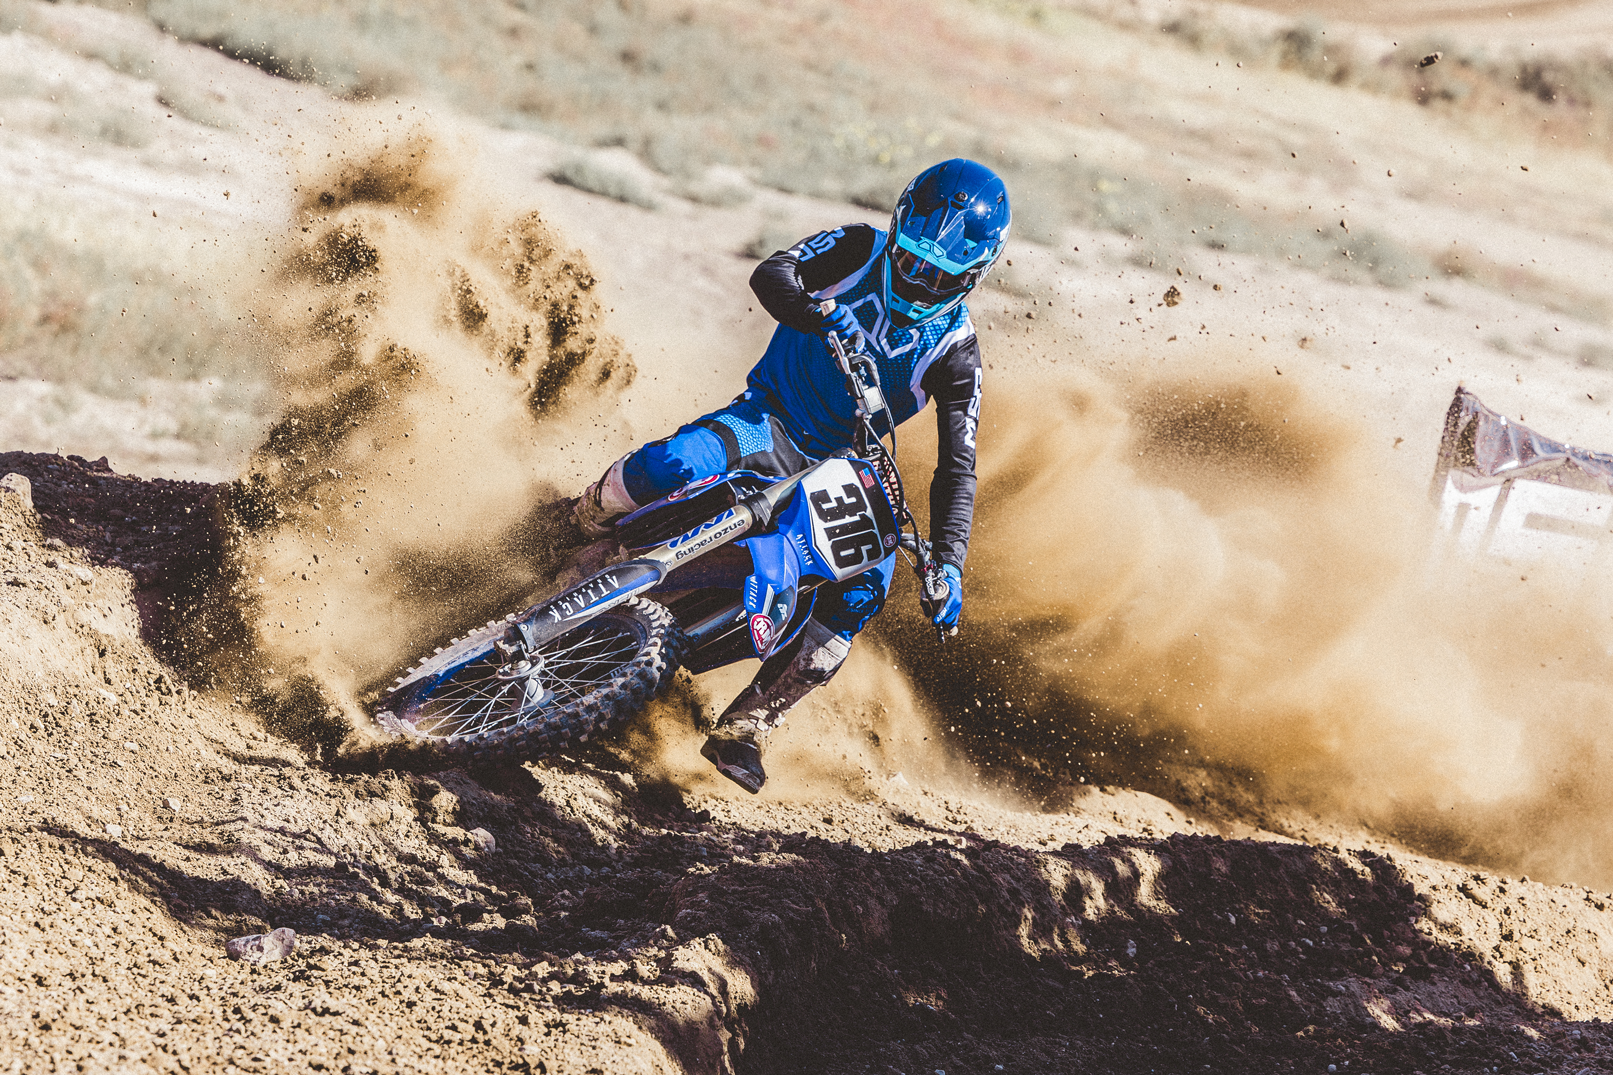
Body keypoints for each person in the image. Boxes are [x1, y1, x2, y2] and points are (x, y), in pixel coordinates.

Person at [572, 158, 1010, 793]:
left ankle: (751, 724)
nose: (916, 277)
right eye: (912, 257)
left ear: (973, 275)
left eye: (936, 273)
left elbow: (958, 466)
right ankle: (579, 516)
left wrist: (950, 560)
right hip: (767, 421)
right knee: (670, 465)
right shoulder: (859, 249)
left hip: (844, 464)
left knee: (864, 589)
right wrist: (816, 313)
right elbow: (773, 272)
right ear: (897, 228)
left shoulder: (958, 353)